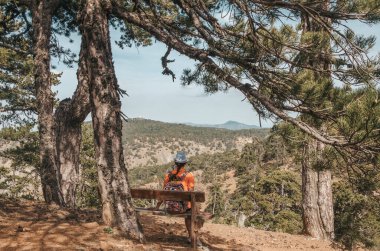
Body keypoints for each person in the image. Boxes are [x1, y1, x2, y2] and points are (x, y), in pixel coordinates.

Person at [156, 151, 195, 242]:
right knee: (190, 212)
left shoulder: (168, 176)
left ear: (175, 163)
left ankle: (190, 236)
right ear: (185, 163)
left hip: (170, 207)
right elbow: (191, 193)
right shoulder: (189, 175)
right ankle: (190, 236)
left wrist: (157, 206)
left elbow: (163, 192)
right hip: (183, 208)